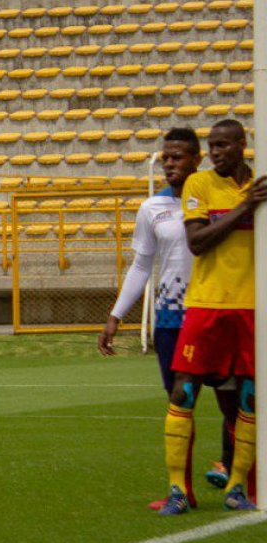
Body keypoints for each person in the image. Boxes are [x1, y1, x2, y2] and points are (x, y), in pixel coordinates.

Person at [97, 128, 239, 511]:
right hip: (173, 318)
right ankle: (182, 490)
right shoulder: (152, 209)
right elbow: (142, 264)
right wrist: (116, 315)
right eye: (166, 158)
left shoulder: (217, 198)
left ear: (197, 160)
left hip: (215, 310)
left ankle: (238, 477)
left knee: (233, 403)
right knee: (180, 402)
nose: (169, 164)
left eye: (178, 157)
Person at [159, 119, 265, 514]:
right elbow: (198, 242)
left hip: (252, 307)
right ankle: (177, 491)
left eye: (223, 145)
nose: (217, 152)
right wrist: (246, 207)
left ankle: (237, 488)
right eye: (212, 146)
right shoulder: (199, 185)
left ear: (242, 144)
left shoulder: (258, 183)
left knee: (251, 399)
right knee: (182, 391)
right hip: (205, 305)